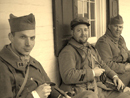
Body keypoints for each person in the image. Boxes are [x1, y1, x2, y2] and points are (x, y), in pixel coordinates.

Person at [0, 13, 71, 98]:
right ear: (11, 37)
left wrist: (61, 96)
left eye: (32, 38)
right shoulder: (3, 66)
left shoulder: (33, 62)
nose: (28, 44)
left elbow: (49, 86)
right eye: (23, 37)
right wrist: (35, 95)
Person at [58, 16, 130, 98]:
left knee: (126, 96)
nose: (83, 33)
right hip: (80, 91)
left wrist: (115, 76)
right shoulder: (68, 51)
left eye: (85, 30)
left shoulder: (90, 48)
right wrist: (92, 73)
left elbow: (102, 64)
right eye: (79, 30)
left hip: (97, 87)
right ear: (72, 32)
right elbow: (67, 76)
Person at [95, 15, 130, 87]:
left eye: (120, 27)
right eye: (115, 26)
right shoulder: (103, 42)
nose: (118, 29)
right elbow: (106, 64)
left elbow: (127, 53)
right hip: (114, 76)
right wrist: (125, 67)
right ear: (109, 26)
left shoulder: (120, 39)